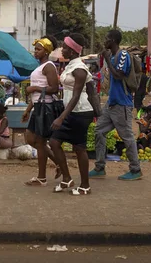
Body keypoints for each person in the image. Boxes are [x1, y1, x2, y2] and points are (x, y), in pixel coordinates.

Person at [89, 29, 142, 181]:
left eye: (106, 38)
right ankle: (99, 167)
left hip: (122, 104)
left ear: (112, 40)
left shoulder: (122, 55)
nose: (104, 41)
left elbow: (119, 75)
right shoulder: (112, 56)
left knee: (127, 137)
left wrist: (107, 58)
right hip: (111, 103)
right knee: (99, 131)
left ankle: (135, 169)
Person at [50, 33, 95, 195]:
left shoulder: (80, 70)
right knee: (54, 142)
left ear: (74, 50)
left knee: (79, 148)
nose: (62, 49)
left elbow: (77, 96)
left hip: (81, 112)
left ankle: (85, 186)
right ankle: (67, 178)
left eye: (65, 47)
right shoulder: (71, 66)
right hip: (71, 111)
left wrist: (61, 117)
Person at [21, 35, 62, 186]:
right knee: (32, 139)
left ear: (46, 51)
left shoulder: (49, 66)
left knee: (39, 141)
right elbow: (37, 95)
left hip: (45, 108)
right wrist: (28, 109)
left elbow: (54, 88)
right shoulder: (41, 66)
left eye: (38, 49)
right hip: (38, 106)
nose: (35, 52)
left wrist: (34, 88)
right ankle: (59, 164)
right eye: (35, 49)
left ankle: (42, 177)